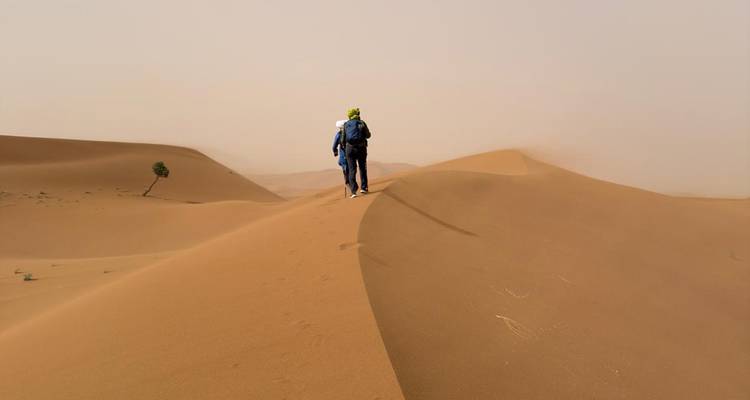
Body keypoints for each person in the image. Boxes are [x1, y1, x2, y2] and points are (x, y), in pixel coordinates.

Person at [342, 107, 371, 198]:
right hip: (361, 148)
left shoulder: (346, 125)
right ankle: (364, 187)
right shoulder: (361, 123)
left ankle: (353, 191)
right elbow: (368, 135)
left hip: (349, 149)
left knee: (351, 170)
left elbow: (343, 139)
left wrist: (345, 148)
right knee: (362, 167)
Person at [332, 120, 349, 189]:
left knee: (345, 170)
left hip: (343, 156)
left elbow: (334, 146)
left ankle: (349, 186)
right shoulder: (350, 133)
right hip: (352, 155)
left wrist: (335, 152)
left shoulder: (339, 134)